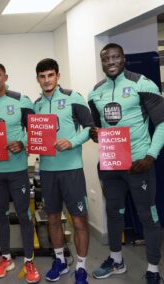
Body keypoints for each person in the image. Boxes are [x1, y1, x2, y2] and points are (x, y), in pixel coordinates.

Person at [88, 43, 164, 284]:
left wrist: (150, 156)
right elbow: (99, 127)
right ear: (102, 62)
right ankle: (116, 260)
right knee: (113, 213)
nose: (111, 61)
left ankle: (153, 268)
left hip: (139, 164)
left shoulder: (142, 83)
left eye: (115, 57)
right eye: (106, 58)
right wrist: (94, 133)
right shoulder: (95, 92)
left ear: (123, 59)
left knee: (148, 216)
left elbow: (162, 123)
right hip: (111, 166)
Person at [0, 62, 40, 284]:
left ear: (5, 77)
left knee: (24, 215)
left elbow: (36, 130)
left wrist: (22, 143)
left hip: (17, 171)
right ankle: (6, 257)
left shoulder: (20, 100)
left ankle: (29, 260)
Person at [34, 58, 93, 284]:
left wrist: (72, 141)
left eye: (50, 75)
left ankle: (80, 267)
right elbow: (33, 135)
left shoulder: (73, 97)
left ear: (58, 76)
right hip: (47, 171)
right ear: (38, 79)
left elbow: (89, 128)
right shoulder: (37, 104)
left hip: (71, 170)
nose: (46, 80)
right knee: (52, 219)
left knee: (78, 221)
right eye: (42, 76)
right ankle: (59, 261)